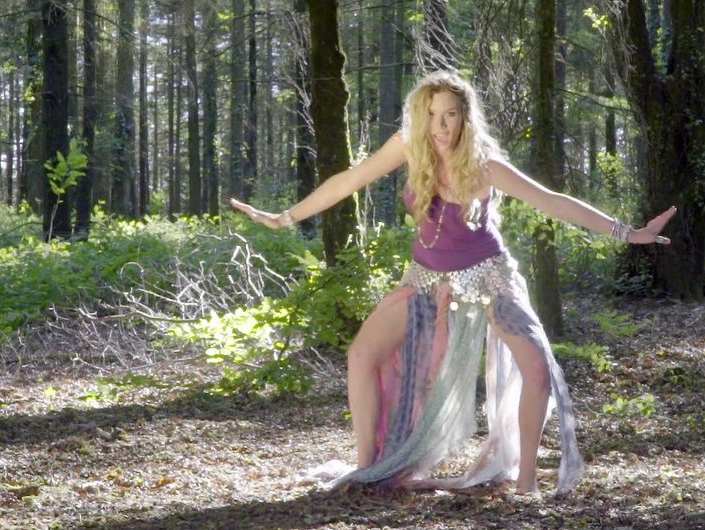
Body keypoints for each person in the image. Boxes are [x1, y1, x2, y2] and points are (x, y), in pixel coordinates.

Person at [231, 70, 675, 494]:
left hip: (488, 276)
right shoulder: (408, 147)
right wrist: (286, 216)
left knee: (537, 368)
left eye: (450, 114)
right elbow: (349, 180)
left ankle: (526, 482)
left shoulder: (486, 166)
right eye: (431, 114)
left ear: (465, 117)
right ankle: (368, 469)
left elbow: (552, 201)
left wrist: (629, 233)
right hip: (426, 280)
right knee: (361, 354)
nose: (440, 126)